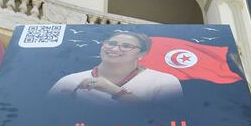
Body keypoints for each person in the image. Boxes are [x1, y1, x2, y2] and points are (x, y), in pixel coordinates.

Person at [49, 31, 182, 104]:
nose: (114, 49)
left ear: (142, 54)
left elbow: (167, 118)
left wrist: (114, 90)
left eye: (126, 46)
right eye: (111, 43)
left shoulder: (164, 81)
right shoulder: (70, 80)